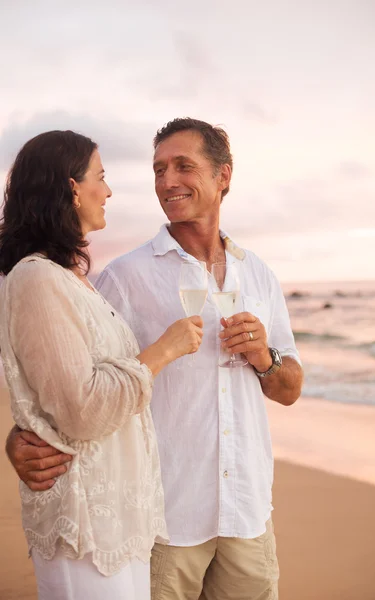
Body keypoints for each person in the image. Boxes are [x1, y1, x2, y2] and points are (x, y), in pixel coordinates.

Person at [6, 118, 303, 600]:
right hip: (165, 521)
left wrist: (265, 358)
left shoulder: (260, 275)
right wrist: (22, 437)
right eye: (158, 169)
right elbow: (67, 372)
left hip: (248, 515)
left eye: (184, 166)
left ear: (223, 175)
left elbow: (290, 388)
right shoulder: (125, 276)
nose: (167, 181)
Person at [0, 130, 203, 600]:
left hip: (116, 515)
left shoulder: (70, 280)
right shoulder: (35, 279)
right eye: (102, 177)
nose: (109, 191)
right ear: (72, 187)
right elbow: (82, 408)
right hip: (85, 522)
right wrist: (162, 351)